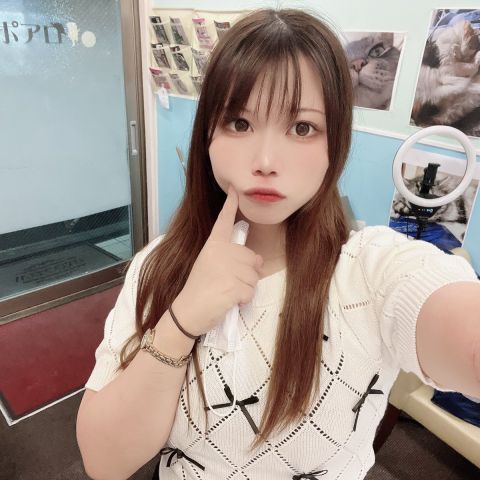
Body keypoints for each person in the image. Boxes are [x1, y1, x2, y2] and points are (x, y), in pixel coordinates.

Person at [76, 8, 480, 480]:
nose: (266, 160)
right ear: (207, 135)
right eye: (239, 123)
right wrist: (181, 321)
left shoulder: (370, 270)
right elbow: (104, 463)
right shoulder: (157, 264)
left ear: (334, 145)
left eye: (302, 128)